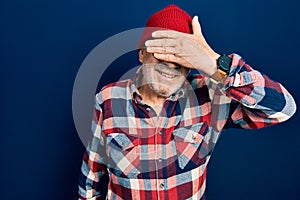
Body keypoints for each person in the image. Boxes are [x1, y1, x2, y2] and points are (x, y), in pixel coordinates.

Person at [78, 4, 296, 200]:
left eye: (180, 60)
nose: (170, 69)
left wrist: (214, 62)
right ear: (142, 54)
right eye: (162, 57)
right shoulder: (107, 99)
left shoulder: (211, 95)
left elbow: (283, 108)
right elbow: (92, 173)